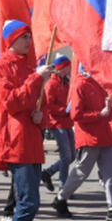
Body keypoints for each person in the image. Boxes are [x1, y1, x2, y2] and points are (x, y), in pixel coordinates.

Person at [0, 20, 52, 221]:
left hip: (31, 140)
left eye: (29, 36)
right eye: (23, 36)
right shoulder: (0, 67)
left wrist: (41, 118)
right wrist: (37, 78)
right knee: (28, 203)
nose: (29, 40)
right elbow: (10, 103)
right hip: (15, 142)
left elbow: (42, 107)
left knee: (30, 203)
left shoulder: (29, 67)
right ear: (11, 40)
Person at [50, 65, 112, 221]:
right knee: (81, 172)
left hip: (105, 136)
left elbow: (109, 114)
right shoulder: (80, 84)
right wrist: (100, 114)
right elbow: (76, 114)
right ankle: (60, 199)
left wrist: (109, 108)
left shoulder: (101, 84)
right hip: (89, 137)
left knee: (111, 173)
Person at [40, 54, 74, 193]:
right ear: (62, 68)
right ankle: (63, 186)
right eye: (68, 66)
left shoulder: (66, 83)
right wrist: (64, 110)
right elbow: (48, 106)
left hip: (67, 122)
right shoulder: (51, 84)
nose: (70, 69)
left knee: (72, 156)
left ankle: (48, 172)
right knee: (66, 156)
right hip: (57, 122)